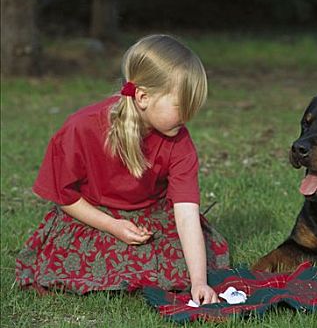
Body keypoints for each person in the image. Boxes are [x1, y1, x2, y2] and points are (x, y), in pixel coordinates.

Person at [15, 34, 230, 305]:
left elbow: (186, 215)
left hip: (151, 215)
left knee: (191, 258)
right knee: (79, 261)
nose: (188, 116)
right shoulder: (81, 127)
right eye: (181, 106)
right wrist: (112, 226)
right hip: (92, 216)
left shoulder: (179, 140)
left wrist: (199, 281)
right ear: (143, 97)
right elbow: (64, 196)